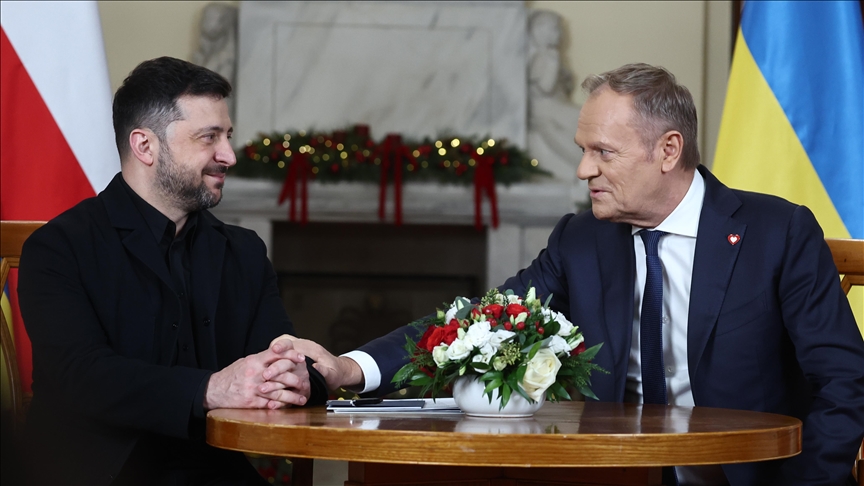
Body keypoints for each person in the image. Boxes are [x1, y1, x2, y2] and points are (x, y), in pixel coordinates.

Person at [281, 64, 864, 485]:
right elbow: (476, 324)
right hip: (608, 475)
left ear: (668, 150)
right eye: (584, 150)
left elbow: (844, 381)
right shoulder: (581, 238)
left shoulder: (777, 232)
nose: (584, 170)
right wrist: (350, 368)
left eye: (603, 153)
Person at [18, 57, 327, 485]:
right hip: (98, 473)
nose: (228, 155)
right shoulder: (58, 247)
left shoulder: (244, 252)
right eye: (209, 137)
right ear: (145, 146)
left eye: (228, 136)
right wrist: (211, 389)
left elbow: (282, 353)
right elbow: (82, 376)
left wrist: (298, 378)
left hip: (217, 470)